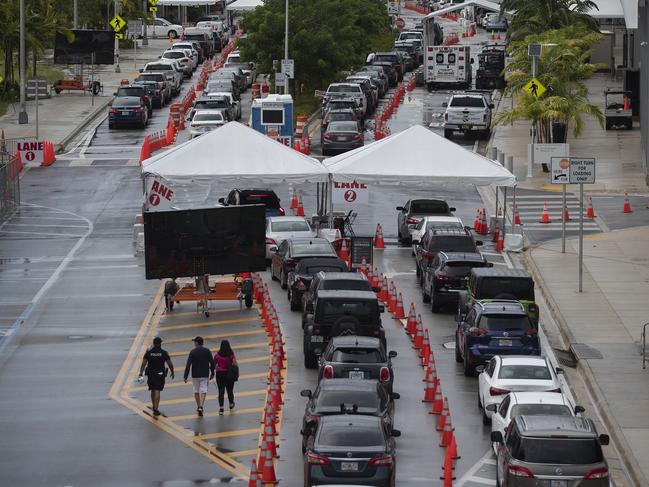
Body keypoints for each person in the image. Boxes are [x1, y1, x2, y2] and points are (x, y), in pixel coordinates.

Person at [138, 336, 174, 417]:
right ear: (160, 343)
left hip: (151, 374)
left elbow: (144, 363)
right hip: (160, 374)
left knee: (152, 390)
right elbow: (169, 363)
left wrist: (141, 373)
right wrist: (172, 371)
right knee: (157, 390)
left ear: (154, 344)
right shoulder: (164, 353)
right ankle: (156, 408)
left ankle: (154, 406)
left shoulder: (149, 352)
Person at [183, 336, 214, 416]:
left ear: (197, 343)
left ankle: (198, 406)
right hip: (205, 374)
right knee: (203, 390)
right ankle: (201, 406)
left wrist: (185, 376)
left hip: (195, 375)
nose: (194, 343)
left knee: (196, 390)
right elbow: (212, 362)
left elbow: (188, 365)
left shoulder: (192, 352)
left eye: (194, 342)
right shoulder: (207, 351)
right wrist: (212, 373)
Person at [213, 339, 238, 415]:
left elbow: (214, 365)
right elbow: (235, 363)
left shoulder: (217, 355)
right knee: (230, 390)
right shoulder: (231, 354)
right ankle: (231, 404)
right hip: (229, 374)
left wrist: (217, 368)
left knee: (221, 391)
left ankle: (221, 408)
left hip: (220, 374)